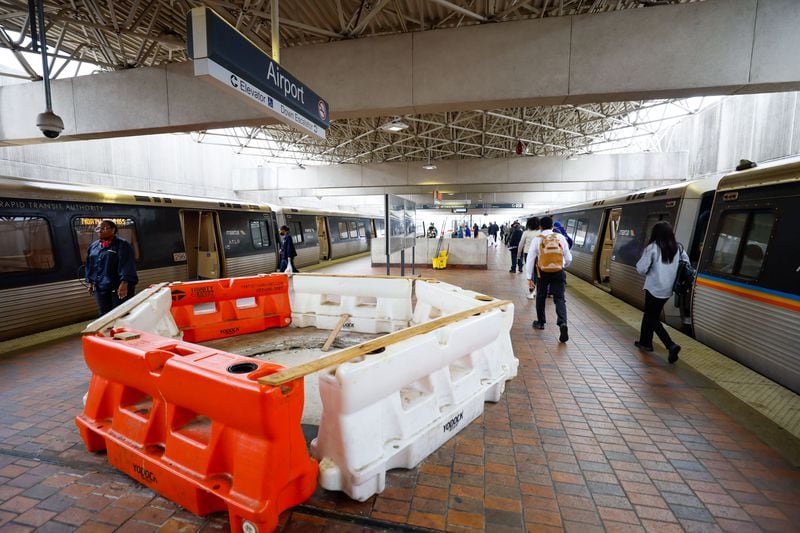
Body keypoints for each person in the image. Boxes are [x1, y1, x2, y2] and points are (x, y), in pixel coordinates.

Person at [634, 221, 687, 363]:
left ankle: (670, 345)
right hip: (667, 290)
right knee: (650, 315)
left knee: (652, 318)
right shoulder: (679, 249)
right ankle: (645, 343)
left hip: (654, 288)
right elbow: (686, 263)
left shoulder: (653, 248)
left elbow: (641, 269)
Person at [525, 216, 572, 343]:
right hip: (558, 271)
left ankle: (540, 322)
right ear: (552, 226)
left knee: (540, 296)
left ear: (540, 226)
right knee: (560, 298)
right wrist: (561, 266)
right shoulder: (560, 237)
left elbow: (530, 259)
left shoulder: (537, 239)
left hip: (543, 272)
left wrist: (529, 277)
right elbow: (568, 258)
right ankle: (562, 323)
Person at [85, 219, 138, 316]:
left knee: (121, 313)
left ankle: (123, 330)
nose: (100, 231)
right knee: (104, 313)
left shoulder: (122, 244)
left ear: (113, 230)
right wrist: (91, 282)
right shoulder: (94, 246)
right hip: (100, 287)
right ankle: (109, 331)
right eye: (98, 228)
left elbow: (127, 264)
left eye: (103, 228)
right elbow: (90, 265)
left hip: (118, 286)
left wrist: (124, 283)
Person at [517, 217, 541, 298]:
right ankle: (536, 290)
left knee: (530, 272)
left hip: (528, 254)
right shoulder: (540, 232)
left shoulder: (526, 233)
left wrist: (518, 255)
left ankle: (532, 292)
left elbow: (521, 244)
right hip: (539, 255)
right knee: (537, 272)